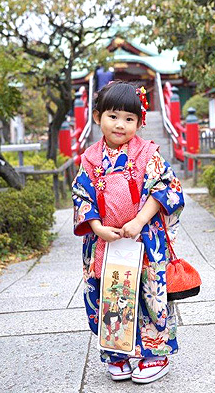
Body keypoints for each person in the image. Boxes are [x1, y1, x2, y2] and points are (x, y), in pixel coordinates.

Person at [72, 80, 184, 384]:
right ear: (97, 117)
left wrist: (139, 221)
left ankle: (154, 353)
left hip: (143, 238)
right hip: (104, 240)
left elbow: (167, 189)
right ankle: (118, 353)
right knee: (112, 294)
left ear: (140, 121)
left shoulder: (148, 153)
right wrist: (96, 226)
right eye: (113, 116)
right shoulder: (90, 160)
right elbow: (82, 196)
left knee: (149, 294)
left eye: (129, 118)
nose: (120, 124)